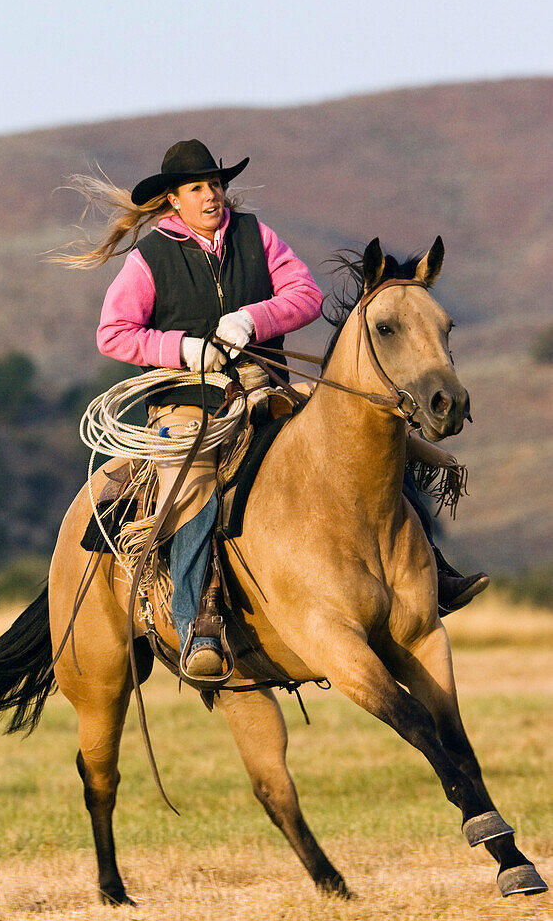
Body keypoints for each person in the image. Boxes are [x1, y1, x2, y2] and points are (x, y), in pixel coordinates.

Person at [60, 139, 487, 678]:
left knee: (374, 435)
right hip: (189, 406)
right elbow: (113, 334)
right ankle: (197, 626)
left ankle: (433, 574)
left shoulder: (256, 235)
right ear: (173, 201)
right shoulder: (150, 260)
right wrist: (186, 350)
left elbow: (304, 295)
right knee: (193, 489)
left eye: (216, 184)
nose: (213, 196)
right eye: (199, 189)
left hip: (268, 389)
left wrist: (253, 320)